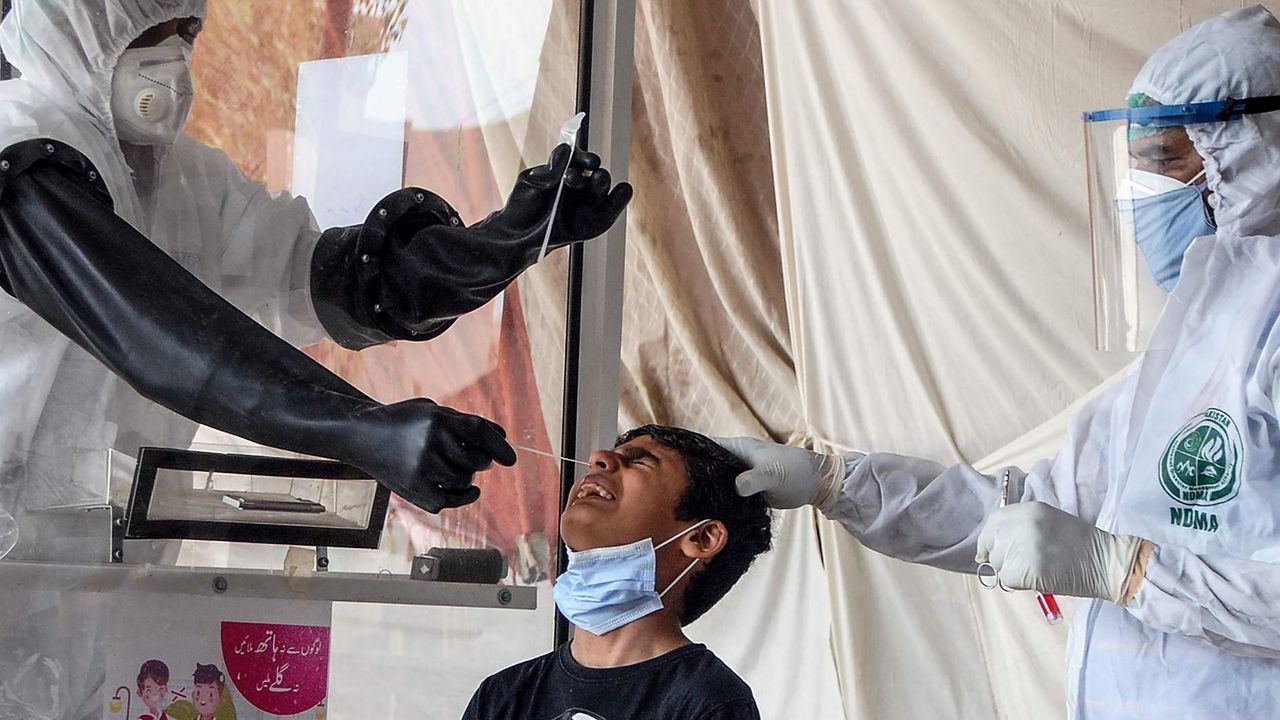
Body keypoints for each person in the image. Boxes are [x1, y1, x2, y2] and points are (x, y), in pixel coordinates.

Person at [0, 2, 629, 718]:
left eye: (187, 30)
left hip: (102, 608)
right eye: (147, 32)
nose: (174, 57)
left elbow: (333, 279)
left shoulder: (184, 187)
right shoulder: (19, 155)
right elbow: (159, 335)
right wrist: (363, 431)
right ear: (73, 29)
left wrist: (509, 240)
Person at [723, 6, 1280, 718]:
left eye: (1166, 160)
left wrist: (1131, 571)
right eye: (1136, 166)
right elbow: (1025, 512)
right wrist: (838, 484)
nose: (1145, 193)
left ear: (1252, 148)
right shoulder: (1181, 351)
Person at [463, 425, 770, 720]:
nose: (598, 457)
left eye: (639, 461)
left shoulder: (709, 702)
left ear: (702, 538)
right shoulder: (503, 696)